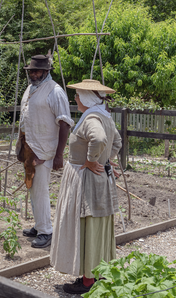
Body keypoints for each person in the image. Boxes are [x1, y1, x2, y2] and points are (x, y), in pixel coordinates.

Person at [50, 79, 122, 295]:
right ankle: (97, 274)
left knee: (87, 226)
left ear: (87, 99)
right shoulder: (104, 117)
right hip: (100, 178)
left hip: (87, 179)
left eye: (78, 96)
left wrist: (92, 160)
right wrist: (106, 160)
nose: (75, 99)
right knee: (97, 226)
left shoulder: (91, 118)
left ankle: (88, 281)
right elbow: (116, 142)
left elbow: (99, 138)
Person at [16, 53, 74, 248]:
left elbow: (65, 123)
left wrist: (59, 155)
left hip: (45, 149)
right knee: (32, 187)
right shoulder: (31, 89)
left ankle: (46, 231)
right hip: (30, 147)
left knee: (41, 189)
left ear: (46, 71)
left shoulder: (55, 91)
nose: (33, 73)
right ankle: (39, 224)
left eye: (37, 70)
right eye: (31, 70)